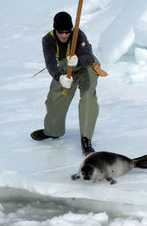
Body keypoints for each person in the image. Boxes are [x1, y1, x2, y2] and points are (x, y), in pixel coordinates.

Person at [31, 11, 102, 155]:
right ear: (55, 30)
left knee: (88, 97)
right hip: (65, 71)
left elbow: (89, 57)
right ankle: (53, 131)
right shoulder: (48, 40)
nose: (64, 35)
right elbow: (50, 64)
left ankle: (86, 138)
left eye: (67, 32)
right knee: (54, 100)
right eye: (60, 32)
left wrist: (78, 60)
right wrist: (60, 77)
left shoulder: (78, 35)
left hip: (85, 67)